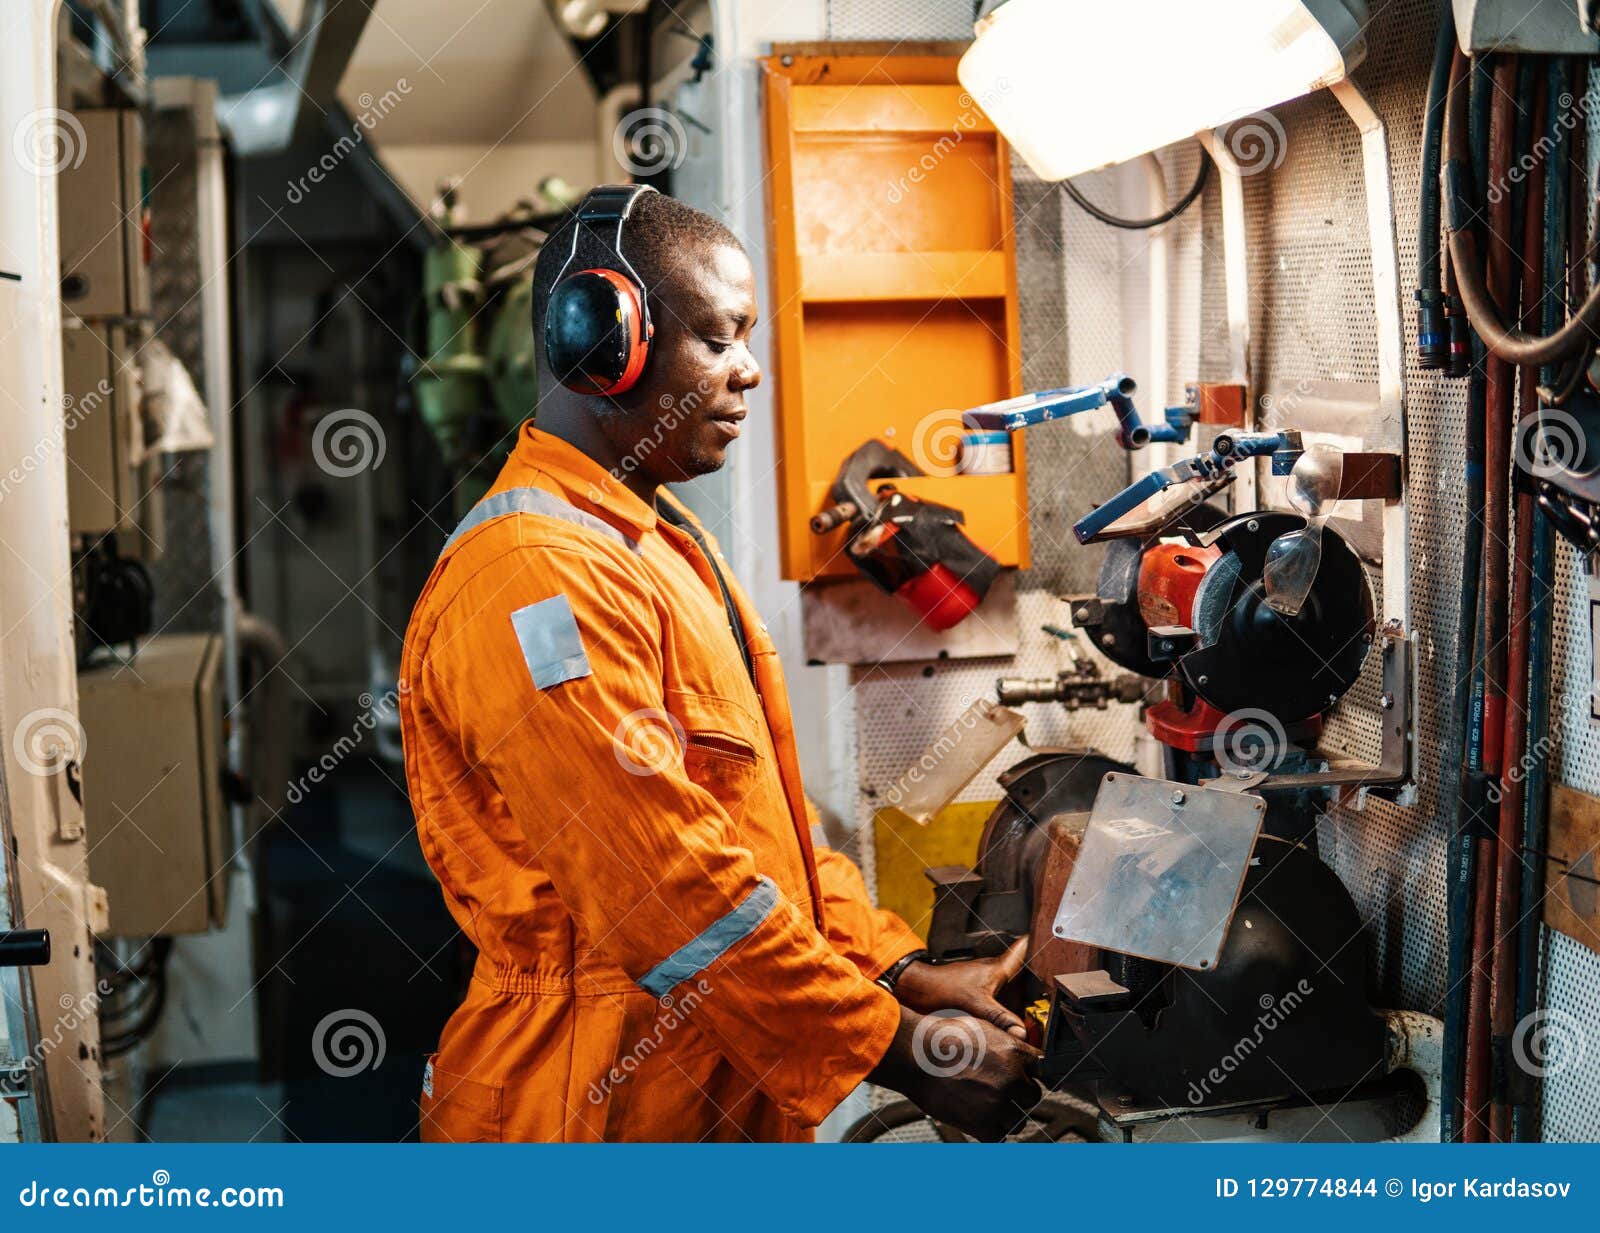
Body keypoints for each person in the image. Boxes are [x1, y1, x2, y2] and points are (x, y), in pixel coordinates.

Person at [400, 185, 1040, 1142]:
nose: (749, 370)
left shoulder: (658, 546)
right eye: (717, 338)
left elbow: (758, 831)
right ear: (601, 340)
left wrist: (896, 972)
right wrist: (900, 1047)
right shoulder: (538, 576)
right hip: (586, 1111)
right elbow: (663, 882)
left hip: (698, 1095)